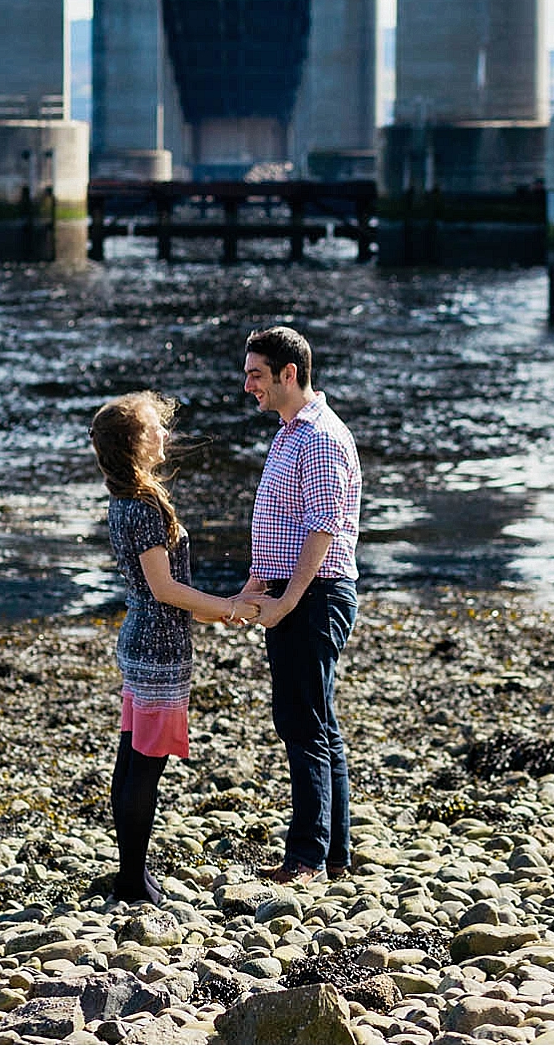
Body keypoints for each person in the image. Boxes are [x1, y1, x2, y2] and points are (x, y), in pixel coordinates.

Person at [90, 391, 261, 905]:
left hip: (145, 636)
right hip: (158, 647)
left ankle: (132, 875)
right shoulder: (141, 506)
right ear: (134, 444)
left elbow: (165, 592)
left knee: (133, 759)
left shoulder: (128, 499)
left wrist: (226, 605)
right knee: (144, 764)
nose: (166, 434)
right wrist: (229, 608)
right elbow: (165, 589)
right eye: (155, 427)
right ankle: (132, 880)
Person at [234, 326, 364, 883]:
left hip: (315, 595)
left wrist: (287, 599)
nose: (247, 386)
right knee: (315, 720)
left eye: (256, 374)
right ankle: (334, 854)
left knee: (302, 722)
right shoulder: (290, 432)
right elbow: (281, 527)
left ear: (290, 374)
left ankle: (307, 857)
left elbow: (322, 529)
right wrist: (254, 588)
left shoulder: (321, 437)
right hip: (294, 593)